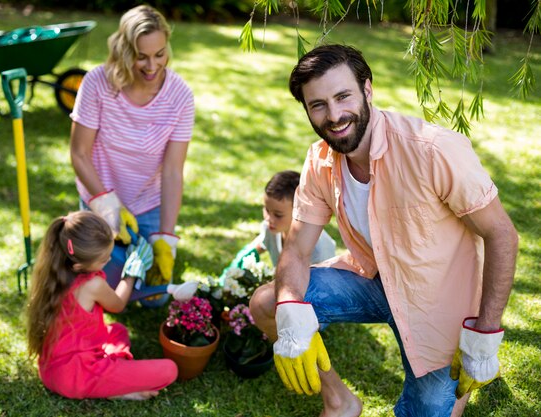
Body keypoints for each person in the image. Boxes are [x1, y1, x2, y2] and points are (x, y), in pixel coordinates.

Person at [249, 44, 518, 417]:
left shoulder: (434, 150)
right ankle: (340, 401)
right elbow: (295, 249)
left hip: (437, 304)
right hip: (374, 279)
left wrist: (485, 333)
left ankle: (453, 388)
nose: (335, 115)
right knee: (270, 304)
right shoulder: (320, 160)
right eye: (318, 105)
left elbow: (501, 234)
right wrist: (291, 312)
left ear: (367, 90)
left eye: (343, 96)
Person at [70, 5, 195, 307]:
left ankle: (139, 252)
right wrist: (107, 204)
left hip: (147, 201)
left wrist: (165, 237)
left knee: (154, 297)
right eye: (142, 56)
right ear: (125, 52)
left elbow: (172, 171)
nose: (153, 65)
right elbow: (79, 153)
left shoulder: (180, 95)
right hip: (99, 198)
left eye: (160, 54)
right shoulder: (98, 83)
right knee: (102, 290)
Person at [25, 211, 179, 400]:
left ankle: (113, 379)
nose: (107, 261)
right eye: (103, 259)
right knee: (169, 369)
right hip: (77, 375)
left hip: (52, 368)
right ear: (79, 266)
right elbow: (118, 304)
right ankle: (113, 389)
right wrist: (131, 273)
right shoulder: (92, 284)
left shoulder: (53, 276)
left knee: (117, 331)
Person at [221, 170, 336, 280]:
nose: (268, 219)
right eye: (266, 209)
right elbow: (256, 247)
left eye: (278, 215)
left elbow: (324, 286)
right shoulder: (270, 229)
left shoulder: (317, 249)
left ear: (300, 212)